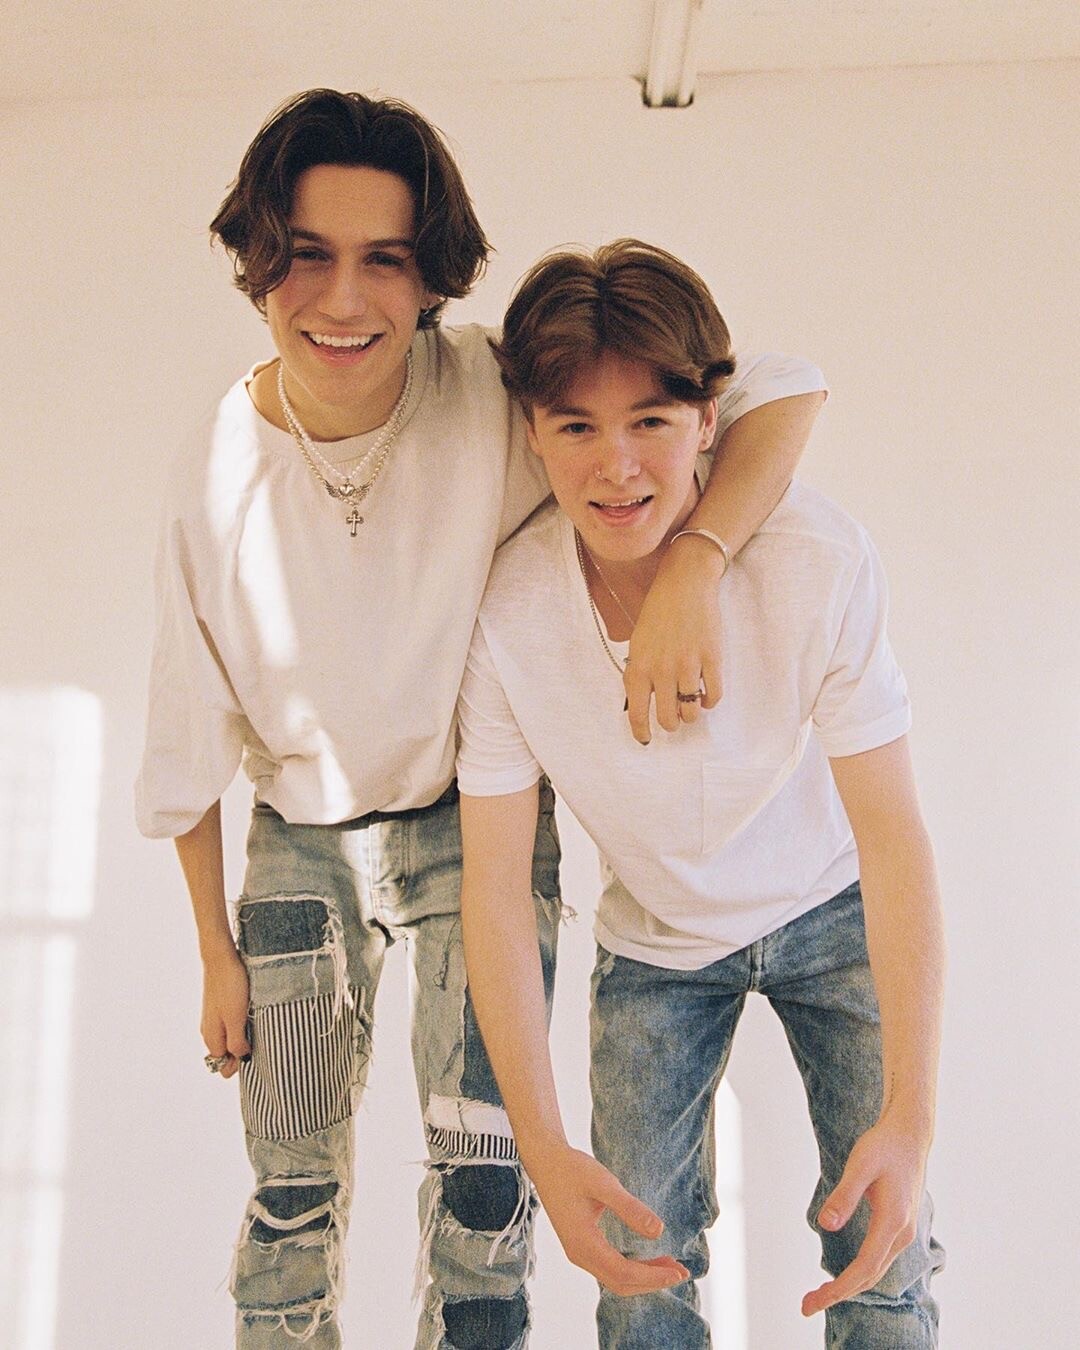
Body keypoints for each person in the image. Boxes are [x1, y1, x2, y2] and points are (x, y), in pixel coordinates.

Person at [135, 88, 826, 1349]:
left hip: (472, 834)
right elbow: (186, 733)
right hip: (299, 845)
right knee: (291, 1193)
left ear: (431, 278)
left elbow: (776, 390)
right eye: (307, 255)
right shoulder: (213, 475)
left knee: (486, 1190)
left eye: (386, 260)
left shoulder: (487, 390)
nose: (344, 299)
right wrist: (211, 953)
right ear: (259, 263)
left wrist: (697, 562)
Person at [457, 239, 946, 1347]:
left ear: (709, 420)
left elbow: (894, 835)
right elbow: (496, 891)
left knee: (888, 1255)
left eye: (651, 422)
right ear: (531, 431)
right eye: (576, 427)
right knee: (640, 1273)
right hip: (657, 943)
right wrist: (544, 1148)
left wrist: (913, 1117)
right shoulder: (510, 614)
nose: (616, 466)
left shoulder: (816, 559)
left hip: (833, 908)